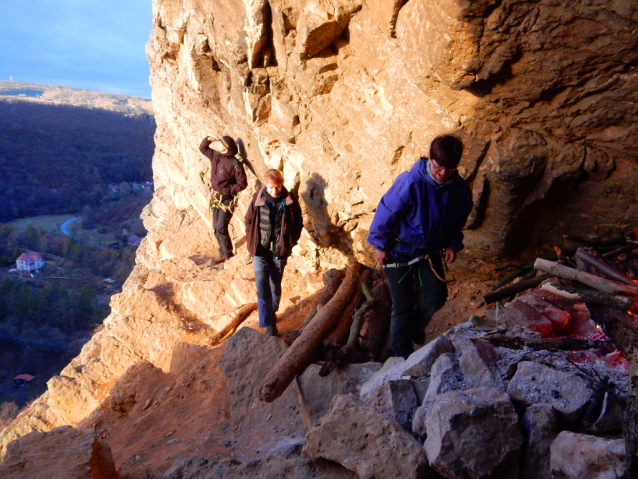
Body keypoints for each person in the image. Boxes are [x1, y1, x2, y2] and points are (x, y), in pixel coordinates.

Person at [367, 135, 473, 359]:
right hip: (398, 251)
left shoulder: (458, 189)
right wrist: (380, 244)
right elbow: (386, 212)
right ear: (430, 159)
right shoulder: (410, 182)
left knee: (437, 296)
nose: (442, 174)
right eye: (438, 167)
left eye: (449, 168)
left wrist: (453, 244)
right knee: (401, 305)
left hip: (428, 251)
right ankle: (402, 356)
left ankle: (415, 326)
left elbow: (458, 218)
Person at [245, 169, 303, 336]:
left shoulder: (289, 201)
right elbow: (248, 220)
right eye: (271, 187)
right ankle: (269, 323)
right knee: (262, 286)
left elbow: (298, 224)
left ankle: (273, 308)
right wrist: (251, 241)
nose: (274, 191)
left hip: (279, 252)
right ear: (265, 184)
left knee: (274, 285)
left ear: (281, 184)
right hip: (260, 251)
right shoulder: (257, 198)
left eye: (277, 187)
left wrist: (290, 243)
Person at [200, 135, 247, 263]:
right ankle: (223, 253)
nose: (217, 144)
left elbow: (242, 183)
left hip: (227, 199)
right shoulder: (216, 156)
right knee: (216, 227)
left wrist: (227, 190)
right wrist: (208, 139)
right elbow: (203, 148)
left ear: (225, 148)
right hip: (217, 197)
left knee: (221, 226)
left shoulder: (235, 163)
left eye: (220, 143)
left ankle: (228, 255)